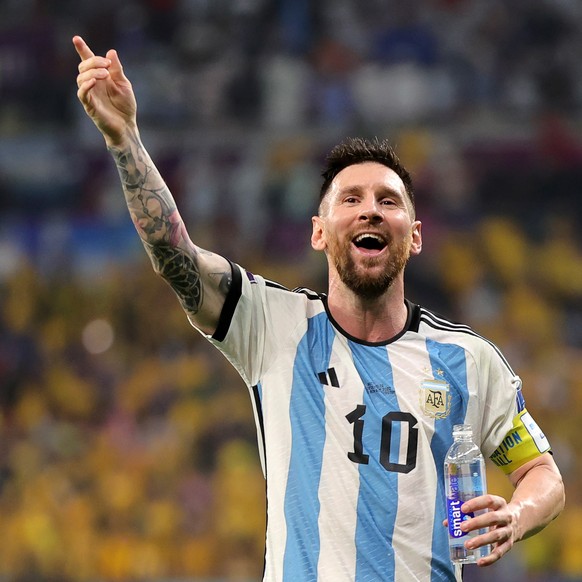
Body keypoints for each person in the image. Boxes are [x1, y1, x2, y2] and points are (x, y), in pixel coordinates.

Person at [73, 35, 565, 582]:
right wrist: (126, 141)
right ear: (318, 232)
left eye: (389, 201)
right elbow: (174, 255)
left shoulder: (468, 361)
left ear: (416, 235)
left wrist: (516, 515)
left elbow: (543, 475)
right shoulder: (271, 324)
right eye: (350, 199)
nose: (370, 212)